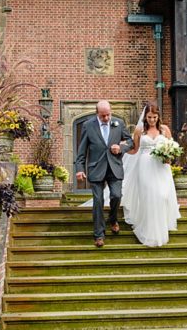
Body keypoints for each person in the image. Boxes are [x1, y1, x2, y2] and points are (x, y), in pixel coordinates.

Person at [74, 100, 133, 247]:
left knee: (116, 195)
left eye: (108, 115)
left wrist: (120, 148)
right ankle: (99, 235)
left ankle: (113, 219)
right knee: (98, 201)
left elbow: (131, 142)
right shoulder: (88, 125)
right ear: (97, 114)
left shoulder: (119, 123)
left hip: (114, 167)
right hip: (96, 168)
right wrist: (80, 169)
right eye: (103, 116)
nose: (106, 118)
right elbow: (82, 151)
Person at [121, 103, 181, 247]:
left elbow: (172, 148)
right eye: (149, 117)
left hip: (161, 167)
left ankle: (161, 226)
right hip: (145, 165)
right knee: (149, 196)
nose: (152, 120)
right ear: (145, 116)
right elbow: (135, 150)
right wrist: (122, 148)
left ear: (158, 116)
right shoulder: (139, 130)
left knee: (162, 195)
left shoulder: (164, 130)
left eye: (154, 117)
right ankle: (148, 231)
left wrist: (169, 156)